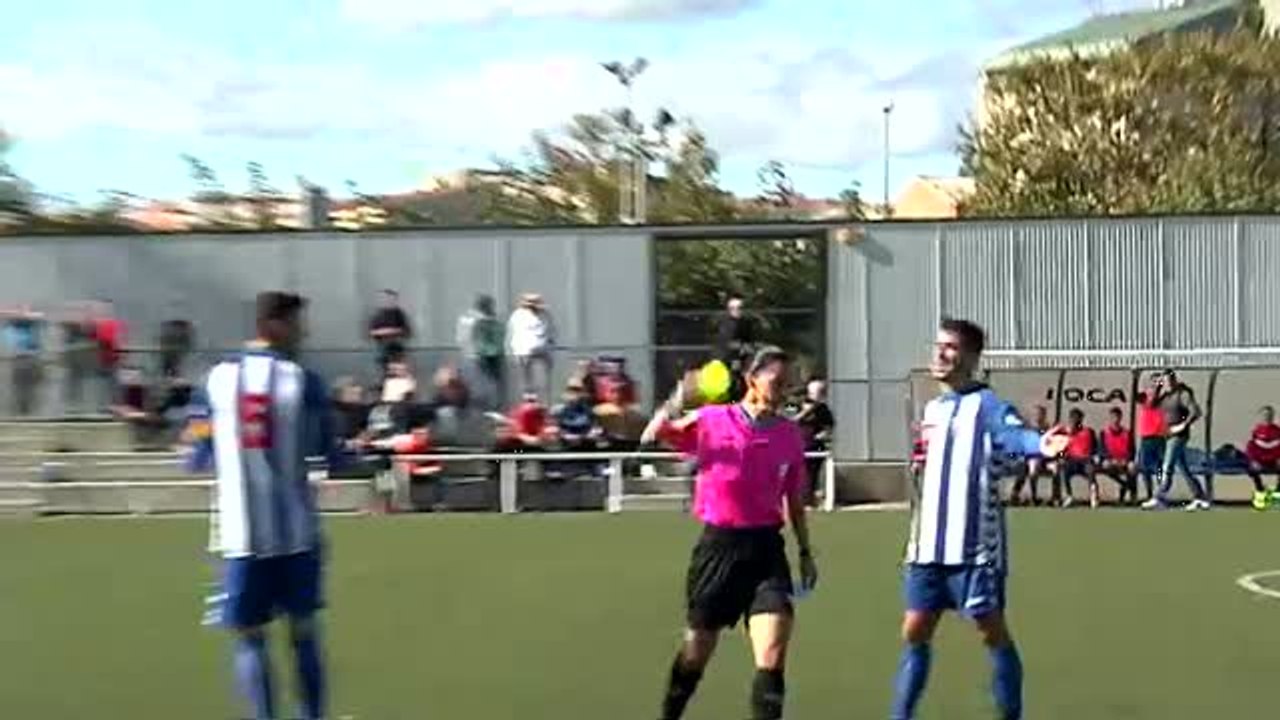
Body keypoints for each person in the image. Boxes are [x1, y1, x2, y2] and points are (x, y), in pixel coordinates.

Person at [890, 318, 1068, 720]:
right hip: (928, 544)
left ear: (970, 357)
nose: (940, 353)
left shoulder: (987, 405)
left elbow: (1014, 436)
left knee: (990, 629)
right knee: (914, 629)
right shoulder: (934, 408)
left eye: (950, 347)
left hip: (974, 548)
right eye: (938, 345)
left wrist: (1040, 443)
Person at [184, 291, 339, 720]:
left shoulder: (214, 379)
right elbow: (332, 454)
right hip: (297, 536)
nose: (304, 332)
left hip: (239, 537)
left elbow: (196, 452)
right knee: (304, 634)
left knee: (250, 638)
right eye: (298, 323)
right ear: (277, 325)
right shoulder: (305, 382)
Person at [641, 346, 817, 720]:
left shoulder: (789, 435)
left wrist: (804, 550)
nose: (784, 388)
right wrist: (676, 399)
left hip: (767, 550)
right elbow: (653, 436)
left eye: (788, 382)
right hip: (719, 550)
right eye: (777, 380)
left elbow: (794, 499)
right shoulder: (712, 420)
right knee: (696, 652)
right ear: (753, 379)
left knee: (771, 655)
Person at [1142, 369, 1210, 511]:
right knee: (1184, 468)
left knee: (1167, 466)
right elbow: (1151, 404)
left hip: (1178, 436)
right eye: (1165, 381)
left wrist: (1182, 425)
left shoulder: (1182, 394)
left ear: (1174, 379)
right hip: (1167, 435)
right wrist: (1157, 387)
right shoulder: (1165, 397)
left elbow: (1195, 412)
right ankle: (1200, 497)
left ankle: (1159, 497)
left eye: (1170, 380)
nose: (1168, 383)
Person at [1054, 408, 1099, 509]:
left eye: (1077, 419)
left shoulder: (1088, 432)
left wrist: (1096, 456)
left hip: (1085, 460)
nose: (1074, 421)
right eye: (1072, 419)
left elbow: (1095, 447)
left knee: (1090, 470)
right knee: (1062, 469)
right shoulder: (1065, 433)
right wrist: (1060, 458)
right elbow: (1061, 450)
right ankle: (1069, 496)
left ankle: (1094, 497)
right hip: (1071, 460)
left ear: (1081, 420)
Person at [1098, 407, 1138, 505]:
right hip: (1110, 461)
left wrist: (1127, 460)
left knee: (1132, 467)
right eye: (1113, 417)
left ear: (1120, 418)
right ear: (1110, 418)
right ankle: (1125, 485)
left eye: (1117, 417)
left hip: (1123, 461)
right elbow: (1101, 450)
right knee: (1106, 465)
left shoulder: (1127, 433)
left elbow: (1132, 450)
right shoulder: (1104, 433)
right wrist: (1108, 459)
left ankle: (1129, 496)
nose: (1115, 419)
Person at [368, 289, 412, 377]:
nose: (389, 301)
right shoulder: (377, 314)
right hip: (382, 348)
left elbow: (406, 331)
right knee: (383, 371)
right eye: (387, 298)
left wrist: (391, 331)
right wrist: (388, 331)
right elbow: (372, 332)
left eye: (392, 299)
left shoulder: (399, 314)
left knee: (399, 372)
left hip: (397, 349)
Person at [1245, 405, 1280, 509]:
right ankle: (1260, 492)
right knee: (1252, 470)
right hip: (1260, 461)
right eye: (1265, 415)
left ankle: (1277, 494)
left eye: (1269, 415)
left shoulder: (1277, 431)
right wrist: (1253, 461)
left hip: (1274, 461)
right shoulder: (1257, 431)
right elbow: (1251, 448)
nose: (1267, 417)